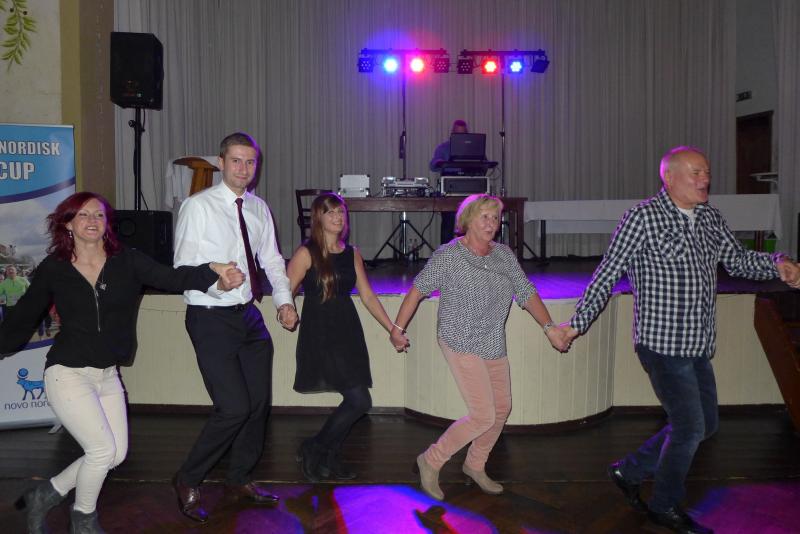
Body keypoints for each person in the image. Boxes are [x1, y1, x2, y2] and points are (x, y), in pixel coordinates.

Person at [562, 146, 800, 534]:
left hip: (697, 342)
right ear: (669, 177)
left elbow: (738, 260)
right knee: (689, 426)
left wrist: (778, 264)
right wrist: (576, 324)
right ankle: (664, 505)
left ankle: (629, 470)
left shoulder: (710, 218)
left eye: (706, 172)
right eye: (695, 172)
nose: (705, 179)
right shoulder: (642, 218)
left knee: (706, 425)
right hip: (661, 343)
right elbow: (607, 274)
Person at [0, 191, 243, 534]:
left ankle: (45, 494)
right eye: (83, 215)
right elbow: (23, 315)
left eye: (99, 215)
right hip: (67, 373)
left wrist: (213, 271)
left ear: (107, 224)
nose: (92, 221)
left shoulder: (126, 260)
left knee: (113, 455)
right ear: (68, 224)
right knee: (101, 451)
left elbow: (172, 278)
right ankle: (83, 519)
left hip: (107, 374)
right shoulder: (54, 268)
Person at [390, 193, 570, 501]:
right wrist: (397, 330)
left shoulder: (504, 255)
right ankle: (430, 460)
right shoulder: (449, 255)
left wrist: (550, 328)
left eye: (495, 217)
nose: (491, 223)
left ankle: (475, 464)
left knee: (501, 409)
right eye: (484, 216)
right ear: (468, 220)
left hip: (491, 340)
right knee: (483, 415)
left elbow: (526, 292)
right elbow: (417, 290)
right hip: (459, 339)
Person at [172, 132, 299, 523]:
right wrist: (218, 282)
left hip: (248, 315)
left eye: (250, 162)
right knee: (233, 408)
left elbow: (272, 260)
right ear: (221, 163)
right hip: (210, 316)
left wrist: (285, 302)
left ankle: (239, 478)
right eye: (236, 161)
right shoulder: (198, 206)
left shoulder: (259, 208)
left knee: (257, 406)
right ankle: (187, 478)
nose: (244, 169)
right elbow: (182, 268)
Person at [286, 192, 403, 482]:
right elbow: (284, 292)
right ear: (319, 218)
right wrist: (285, 312)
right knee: (359, 400)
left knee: (357, 400)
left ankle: (326, 454)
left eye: (341, 211)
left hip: (347, 330)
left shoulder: (352, 253)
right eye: (331, 212)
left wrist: (392, 328)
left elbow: (368, 296)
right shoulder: (306, 253)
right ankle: (316, 448)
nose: (338, 217)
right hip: (320, 333)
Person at [430, 120, 469, 245]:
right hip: (449, 191)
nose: (460, 137)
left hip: (469, 190)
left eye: (463, 134)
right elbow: (433, 165)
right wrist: (441, 162)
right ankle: (445, 253)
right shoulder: (443, 148)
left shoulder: (472, 147)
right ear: (452, 133)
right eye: (457, 133)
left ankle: (468, 253)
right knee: (448, 222)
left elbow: (485, 164)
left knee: (469, 223)